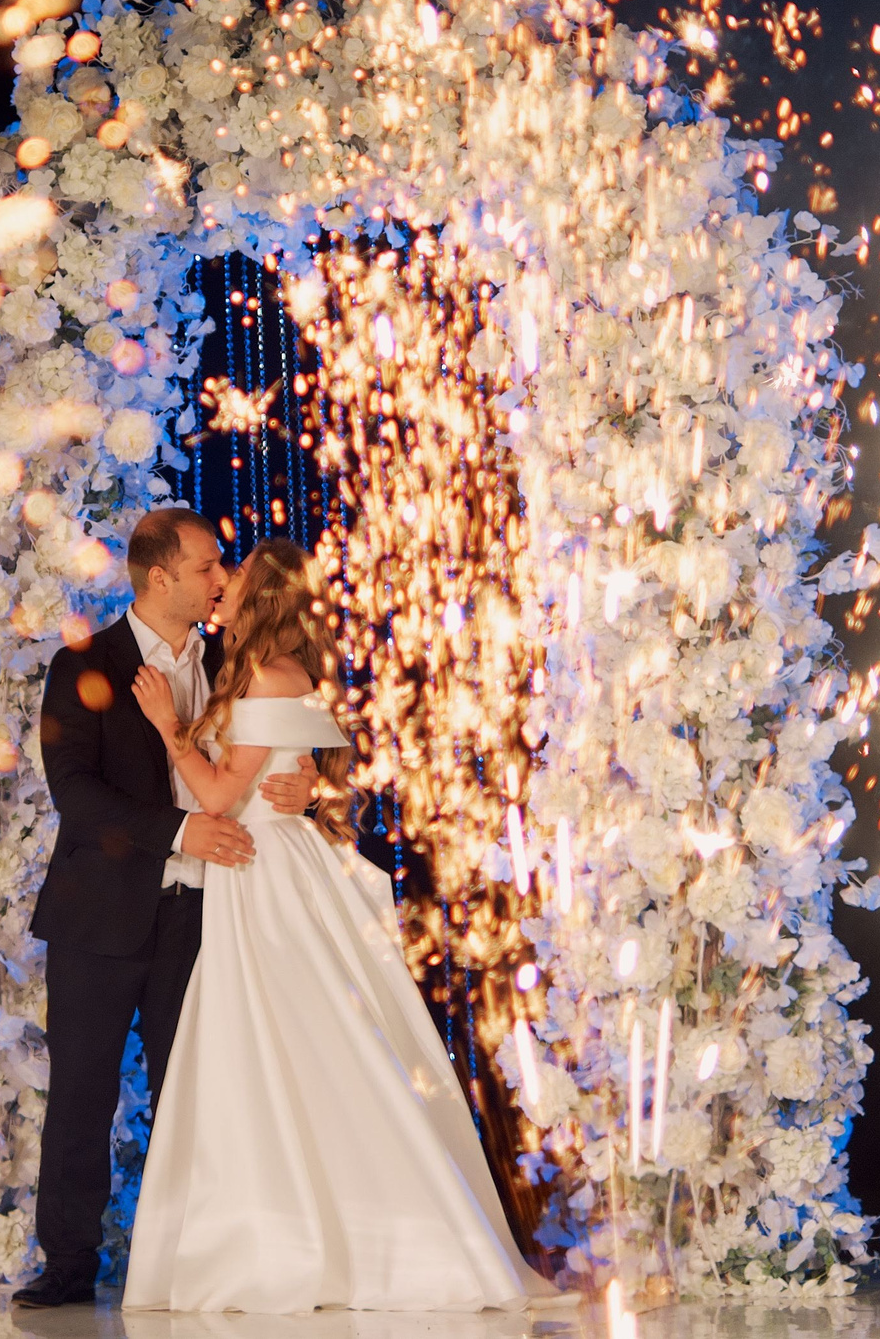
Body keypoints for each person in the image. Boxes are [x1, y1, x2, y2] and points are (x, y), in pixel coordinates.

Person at [121, 539, 557, 1314]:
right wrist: (315, 788)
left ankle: (315, 1239)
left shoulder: (263, 673)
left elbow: (219, 798)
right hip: (268, 869)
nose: (223, 585)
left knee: (291, 1042)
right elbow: (324, 773)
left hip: (264, 878)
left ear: (263, 597)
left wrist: (169, 729)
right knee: (292, 1045)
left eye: (238, 577)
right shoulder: (279, 672)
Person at [15, 509, 319, 1310]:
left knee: (197, 1090)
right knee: (83, 1091)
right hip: (100, 917)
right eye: (208, 566)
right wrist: (183, 827)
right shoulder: (84, 664)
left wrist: (312, 780)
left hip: (205, 915)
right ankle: (70, 1265)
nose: (222, 579)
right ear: (160, 578)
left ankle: (195, 1261)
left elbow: (290, 729)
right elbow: (76, 796)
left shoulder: (234, 658)